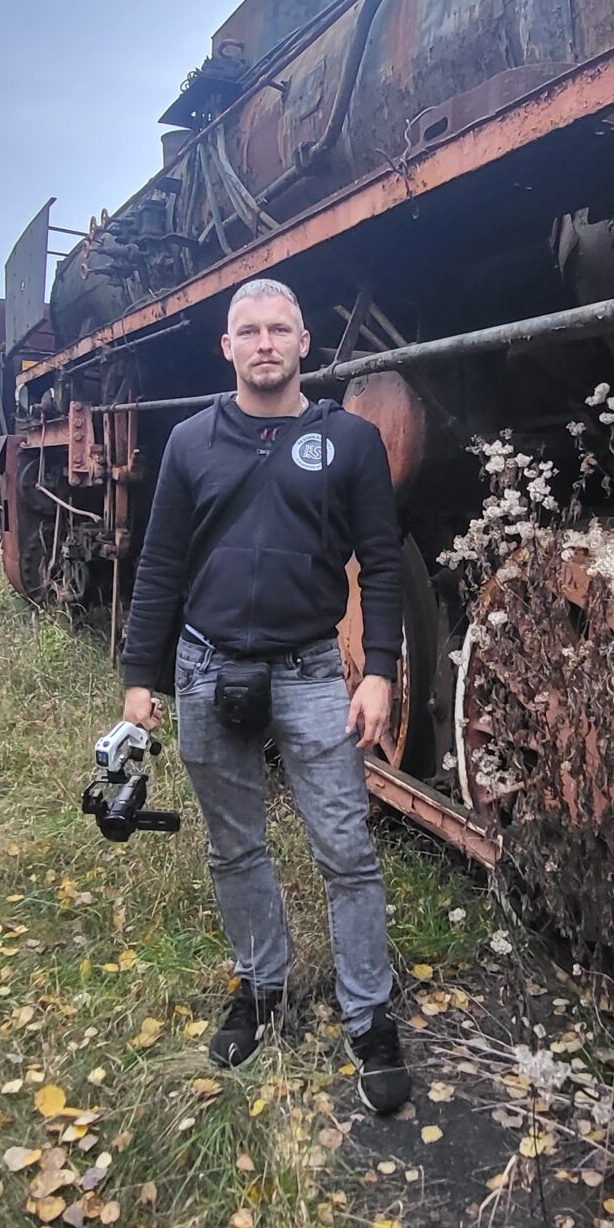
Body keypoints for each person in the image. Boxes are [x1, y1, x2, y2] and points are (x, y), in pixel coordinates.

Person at [117, 277, 413, 1116]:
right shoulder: (189, 443)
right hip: (207, 670)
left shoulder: (349, 442)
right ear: (227, 347)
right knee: (234, 847)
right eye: (248, 330)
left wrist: (381, 670)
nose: (265, 343)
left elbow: (384, 564)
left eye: (280, 328)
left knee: (346, 850)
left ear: (304, 343)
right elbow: (161, 564)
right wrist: (141, 679)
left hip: (312, 670)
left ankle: (369, 1017)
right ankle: (261, 986)